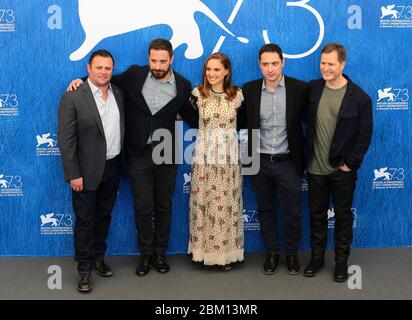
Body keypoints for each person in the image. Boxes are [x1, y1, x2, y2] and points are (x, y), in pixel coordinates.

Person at [68, 39, 198, 276]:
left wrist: (226, 112)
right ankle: (146, 256)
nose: (157, 65)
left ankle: (160, 254)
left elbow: (194, 118)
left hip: (167, 152)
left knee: (164, 205)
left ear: (171, 59)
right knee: (143, 206)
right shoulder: (133, 76)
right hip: (137, 154)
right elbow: (103, 79)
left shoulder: (183, 85)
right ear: (148, 58)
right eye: (153, 60)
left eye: (163, 61)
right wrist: (80, 80)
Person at [303, 43, 372, 282]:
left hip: (342, 171)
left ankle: (341, 262)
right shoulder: (312, 89)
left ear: (342, 64)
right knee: (316, 215)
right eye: (323, 63)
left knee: (343, 216)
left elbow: (364, 136)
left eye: (331, 64)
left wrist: (349, 164)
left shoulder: (360, 98)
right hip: (315, 168)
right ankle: (317, 257)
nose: (326, 68)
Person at [238, 44, 308, 275]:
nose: (270, 69)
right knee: (266, 210)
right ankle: (272, 254)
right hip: (259, 162)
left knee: (293, 213)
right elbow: (240, 125)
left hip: (288, 161)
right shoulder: (248, 90)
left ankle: (291, 254)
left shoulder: (299, 88)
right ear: (259, 65)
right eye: (265, 64)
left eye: (274, 63)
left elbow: (312, 122)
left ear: (283, 62)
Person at [58, 49, 124, 293]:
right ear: (88, 68)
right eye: (99, 67)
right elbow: (66, 141)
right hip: (84, 172)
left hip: (114, 166)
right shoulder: (74, 96)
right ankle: (84, 269)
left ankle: (98, 259)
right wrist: (73, 173)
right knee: (85, 221)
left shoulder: (118, 92)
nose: (104, 72)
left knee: (103, 216)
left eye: (108, 68)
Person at [188, 52, 244, 271]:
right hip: (204, 159)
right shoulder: (197, 94)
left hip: (229, 161)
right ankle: (203, 253)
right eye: (208, 69)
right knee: (204, 204)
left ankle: (225, 255)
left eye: (217, 69)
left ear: (226, 71)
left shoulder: (237, 96)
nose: (212, 74)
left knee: (227, 207)